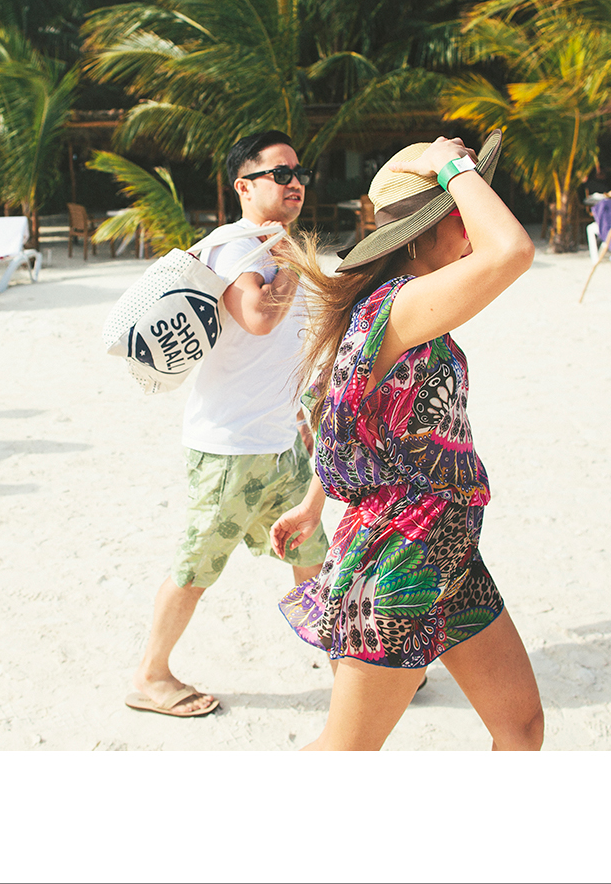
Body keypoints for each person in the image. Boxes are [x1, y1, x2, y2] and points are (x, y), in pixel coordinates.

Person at [270, 130, 547, 751]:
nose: (472, 225)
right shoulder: (400, 305)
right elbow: (511, 251)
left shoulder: (393, 306)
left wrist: (312, 503)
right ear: (424, 228)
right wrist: (451, 164)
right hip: (401, 557)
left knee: (521, 727)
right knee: (344, 753)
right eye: (459, 212)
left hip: (447, 549)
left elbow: (348, 414)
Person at [126, 130, 330, 719]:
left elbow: (288, 345)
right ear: (244, 186)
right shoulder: (234, 247)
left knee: (311, 553)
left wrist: (306, 420)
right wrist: (289, 262)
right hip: (228, 449)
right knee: (196, 568)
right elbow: (261, 317)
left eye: (300, 173)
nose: (295, 183)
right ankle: (149, 675)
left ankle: (347, 657)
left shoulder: (274, 245)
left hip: (280, 442)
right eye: (280, 174)